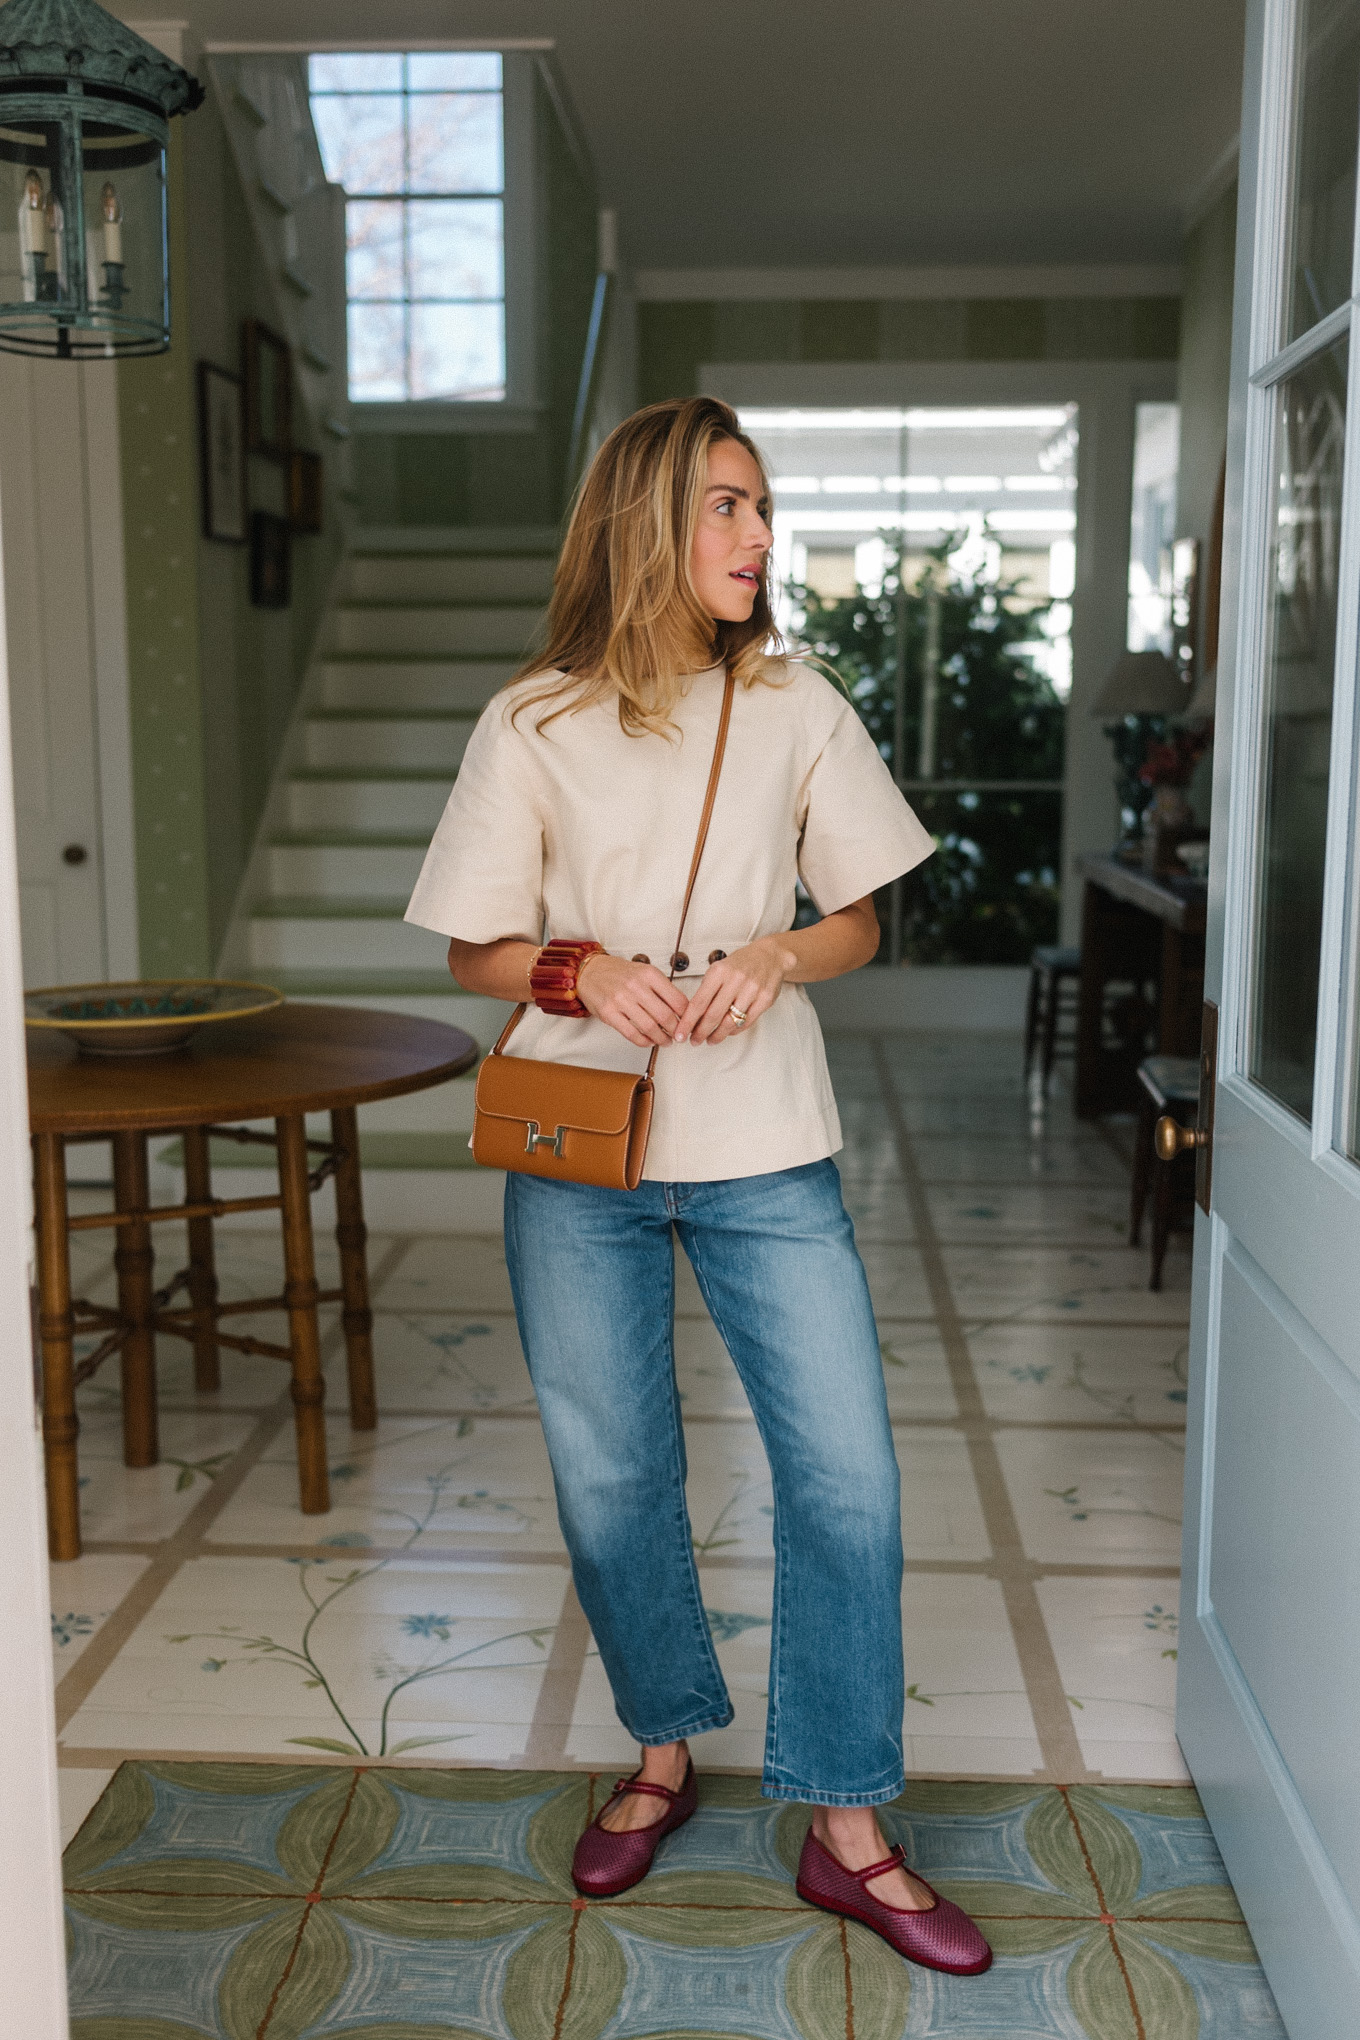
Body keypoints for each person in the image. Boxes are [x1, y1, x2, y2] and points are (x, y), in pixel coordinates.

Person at [405, 396, 992, 1977]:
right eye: (727, 506)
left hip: (765, 1146)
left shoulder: (799, 702)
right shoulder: (532, 718)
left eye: (763, 507)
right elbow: (476, 946)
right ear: (649, 520)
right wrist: (582, 971)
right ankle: (662, 1749)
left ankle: (846, 1824)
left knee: (849, 1477)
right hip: (578, 1147)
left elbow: (861, 915)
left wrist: (776, 952)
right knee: (611, 1479)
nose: (758, 535)